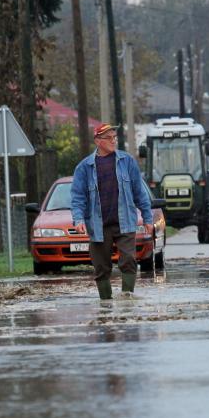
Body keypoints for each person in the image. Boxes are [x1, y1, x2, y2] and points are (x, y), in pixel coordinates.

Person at [70, 124, 153, 301]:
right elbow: (78, 198)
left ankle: (127, 298)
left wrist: (147, 217)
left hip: (125, 222)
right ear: (98, 141)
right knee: (101, 266)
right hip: (98, 225)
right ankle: (106, 303)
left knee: (129, 259)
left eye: (115, 137)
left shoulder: (127, 161)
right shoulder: (84, 167)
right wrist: (78, 220)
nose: (114, 140)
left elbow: (139, 192)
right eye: (109, 138)